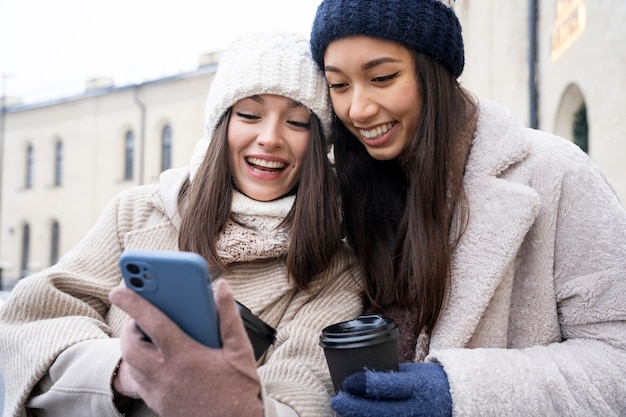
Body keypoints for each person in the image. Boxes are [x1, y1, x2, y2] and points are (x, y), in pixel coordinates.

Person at [0, 31, 363, 417]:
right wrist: (127, 371)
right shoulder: (138, 212)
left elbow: (303, 391)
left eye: (297, 122)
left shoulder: (335, 266)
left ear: (319, 145)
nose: (270, 138)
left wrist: (228, 399)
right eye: (249, 115)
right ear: (220, 125)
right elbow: (33, 320)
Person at [308, 0, 626, 416]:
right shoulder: (339, 194)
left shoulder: (556, 172)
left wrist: (458, 391)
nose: (358, 108)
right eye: (339, 85)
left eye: (383, 77)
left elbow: (617, 363)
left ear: (432, 69)